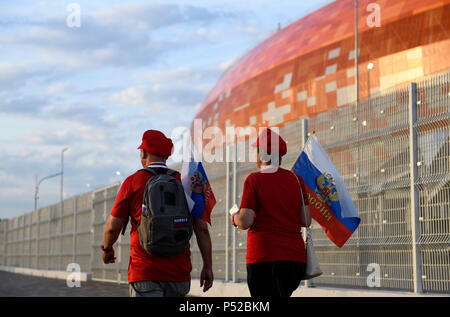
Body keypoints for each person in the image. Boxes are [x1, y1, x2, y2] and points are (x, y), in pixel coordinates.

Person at [102, 130, 213, 297]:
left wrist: (107, 248)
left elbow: (112, 228)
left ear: (144, 153)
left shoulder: (132, 182)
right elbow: (201, 228)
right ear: (166, 156)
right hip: (179, 275)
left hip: (145, 273)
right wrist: (208, 266)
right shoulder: (184, 182)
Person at [230, 128, 311, 297]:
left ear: (261, 154)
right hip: (293, 259)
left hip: (264, 258)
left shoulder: (254, 180)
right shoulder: (297, 180)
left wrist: (234, 216)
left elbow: (245, 222)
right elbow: (305, 220)